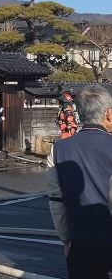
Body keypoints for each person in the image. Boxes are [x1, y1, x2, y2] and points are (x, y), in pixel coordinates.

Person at [47, 85, 112, 278]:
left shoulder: (58, 149)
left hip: (79, 241)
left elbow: (56, 201)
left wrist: (65, 240)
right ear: (108, 114)